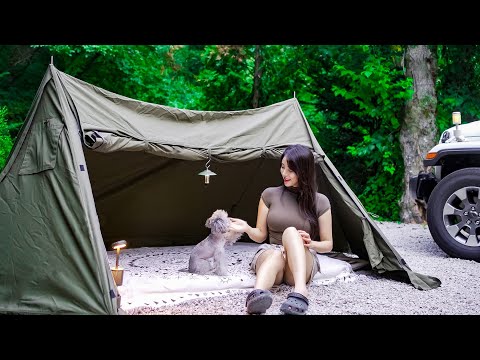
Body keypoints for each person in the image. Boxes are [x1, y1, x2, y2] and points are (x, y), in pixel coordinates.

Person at [229, 144, 333, 315]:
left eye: (291, 170)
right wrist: (247, 228)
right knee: (276, 254)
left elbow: (328, 244)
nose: (284, 173)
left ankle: (300, 291)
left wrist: (310, 242)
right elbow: (261, 236)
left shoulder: (321, 201)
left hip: (301, 259)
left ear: (304, 171)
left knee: (291, 232)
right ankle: (256, 296)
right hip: (273, 254)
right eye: (282, 167)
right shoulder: (269, 195)